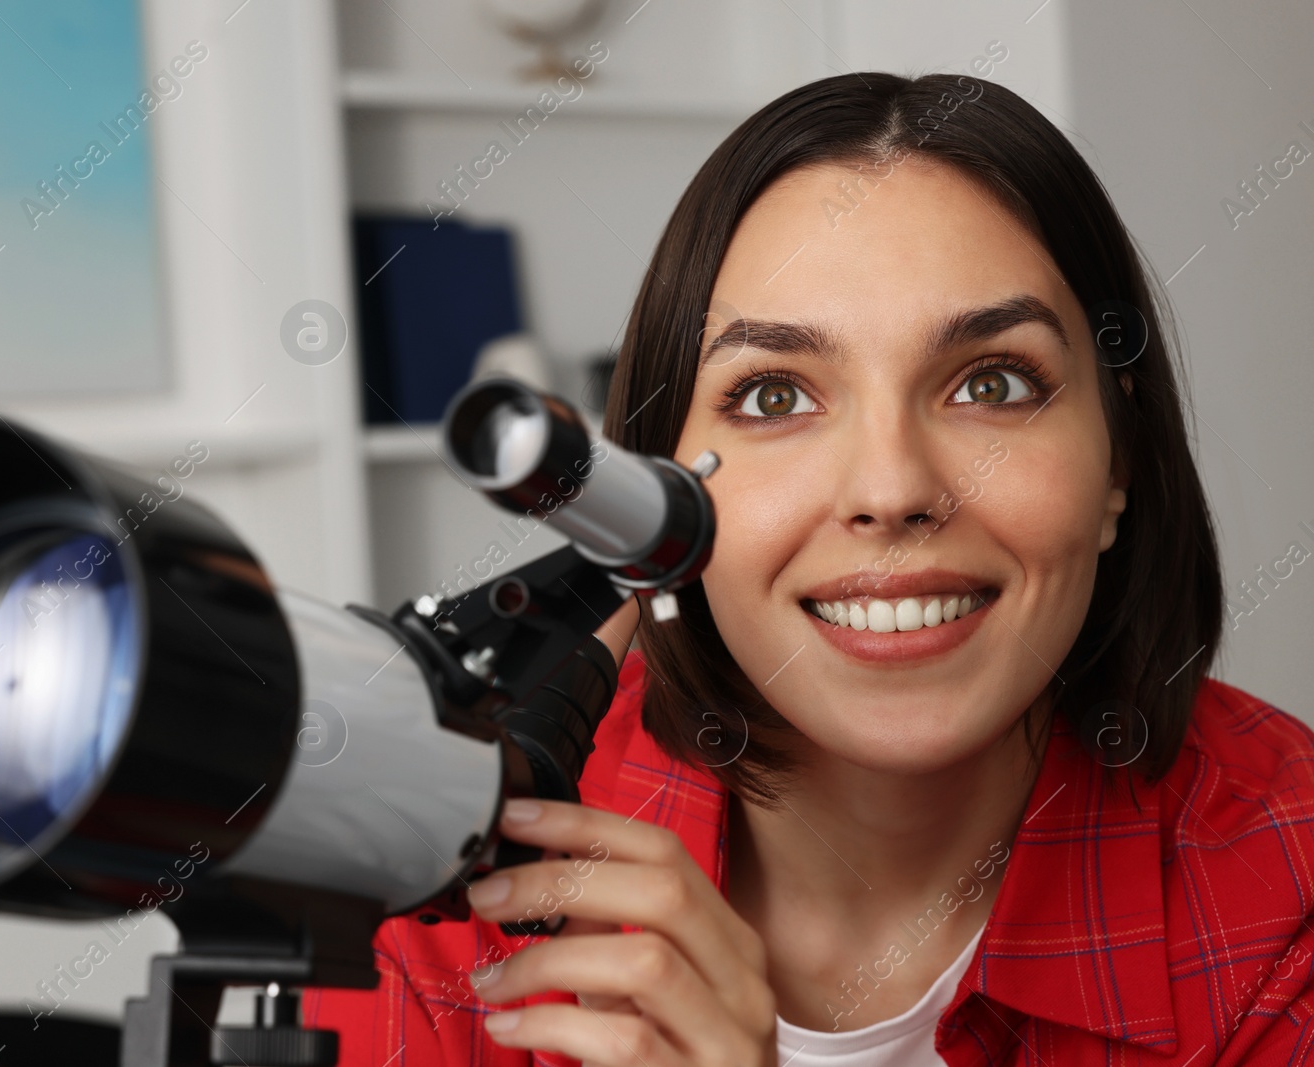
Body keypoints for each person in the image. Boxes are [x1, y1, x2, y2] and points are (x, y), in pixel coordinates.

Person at [304, 71, 1314, 1066]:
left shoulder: (1285, 878)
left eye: (991, 382)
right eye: (775, 396)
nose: (890, 486)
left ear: (1116, 466)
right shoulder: (453, 862)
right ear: (661, 486)